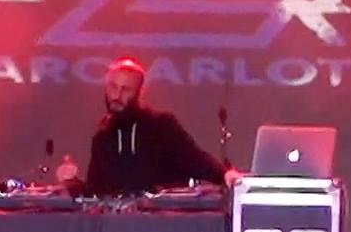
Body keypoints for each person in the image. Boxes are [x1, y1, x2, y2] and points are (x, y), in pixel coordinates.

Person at [64, 57, 241, 195]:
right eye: (113, 87)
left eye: (126, 89)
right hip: (116, 224)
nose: (116, 96)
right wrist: (72, 183)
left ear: (140, 92)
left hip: (160, 222)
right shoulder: (103, 135)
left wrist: (224, 174)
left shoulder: (161, 125)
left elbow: (194, 159)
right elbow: (95, 192)